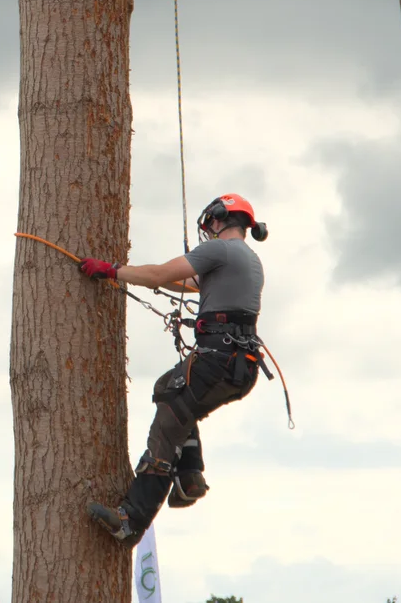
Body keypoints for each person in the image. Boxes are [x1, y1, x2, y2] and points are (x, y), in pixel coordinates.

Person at [77, 193, 270, 544]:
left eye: (211, 221)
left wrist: (113, 271)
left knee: (167, 424)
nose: (209, 228)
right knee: (171, 393)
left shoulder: (220, 251)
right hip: (239, 365)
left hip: (218, 360)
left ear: (219, 218)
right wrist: (137, 275)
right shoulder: (247, 260)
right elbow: (178, 282)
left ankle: (131, 519)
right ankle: (190, 475)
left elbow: (161, 274)